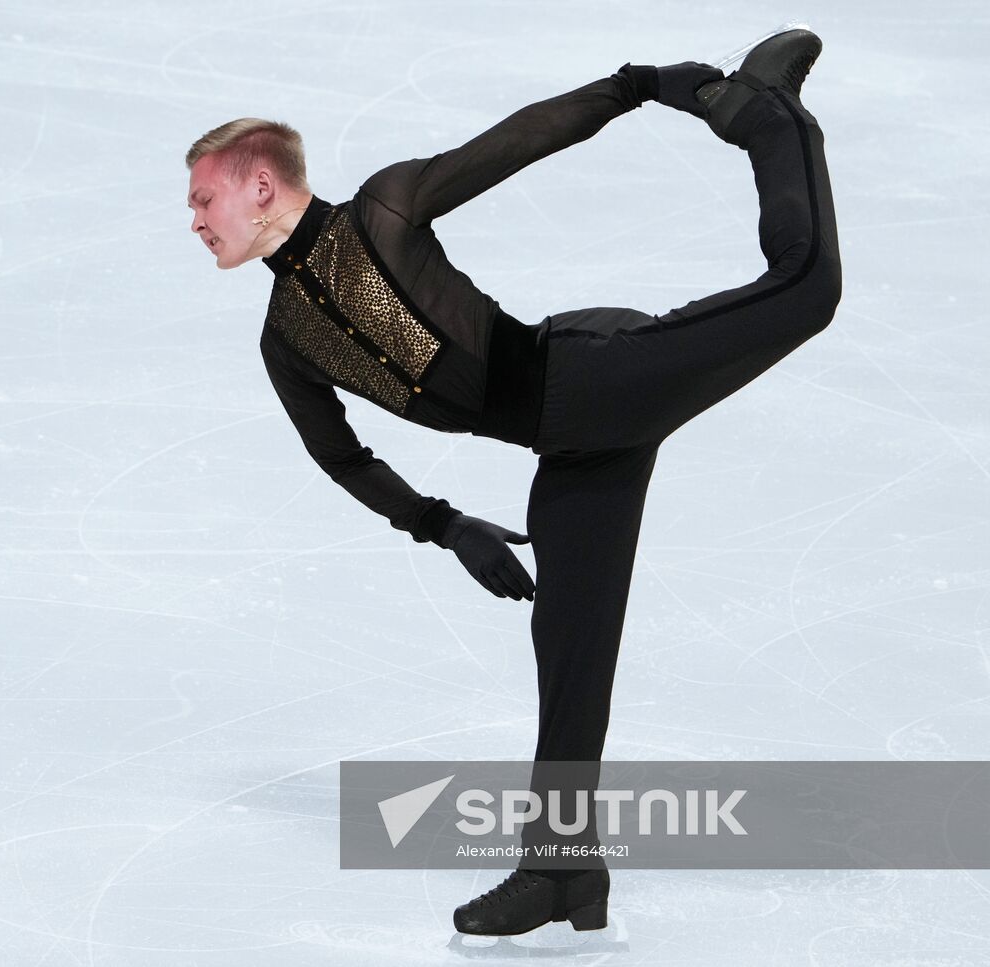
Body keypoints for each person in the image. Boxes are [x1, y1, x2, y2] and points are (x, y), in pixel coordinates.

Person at [183, 27, 839, 938]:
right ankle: (561, 870)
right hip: (571, 444)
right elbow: (340, 456)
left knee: (806, 286)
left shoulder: (383, 211)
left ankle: (768, 113)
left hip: (594, 376)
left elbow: (520, 141)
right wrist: (445, 523)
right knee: (569, 648)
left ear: (260, 185)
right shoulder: (285, 337)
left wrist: (638, 84)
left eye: (203, 197)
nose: (195, 220)